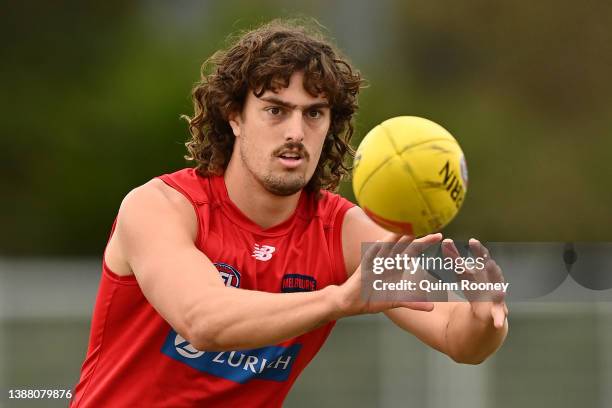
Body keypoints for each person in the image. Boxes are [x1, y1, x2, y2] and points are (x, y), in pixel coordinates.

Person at [71, 19, 508, 407]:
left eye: (314, 114)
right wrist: (336, 300)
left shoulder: (346, 233)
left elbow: (457, 336)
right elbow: (201, 319)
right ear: (235, 117)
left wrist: (484, 317)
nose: (296, 133)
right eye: (276, 110)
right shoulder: (160, 207)